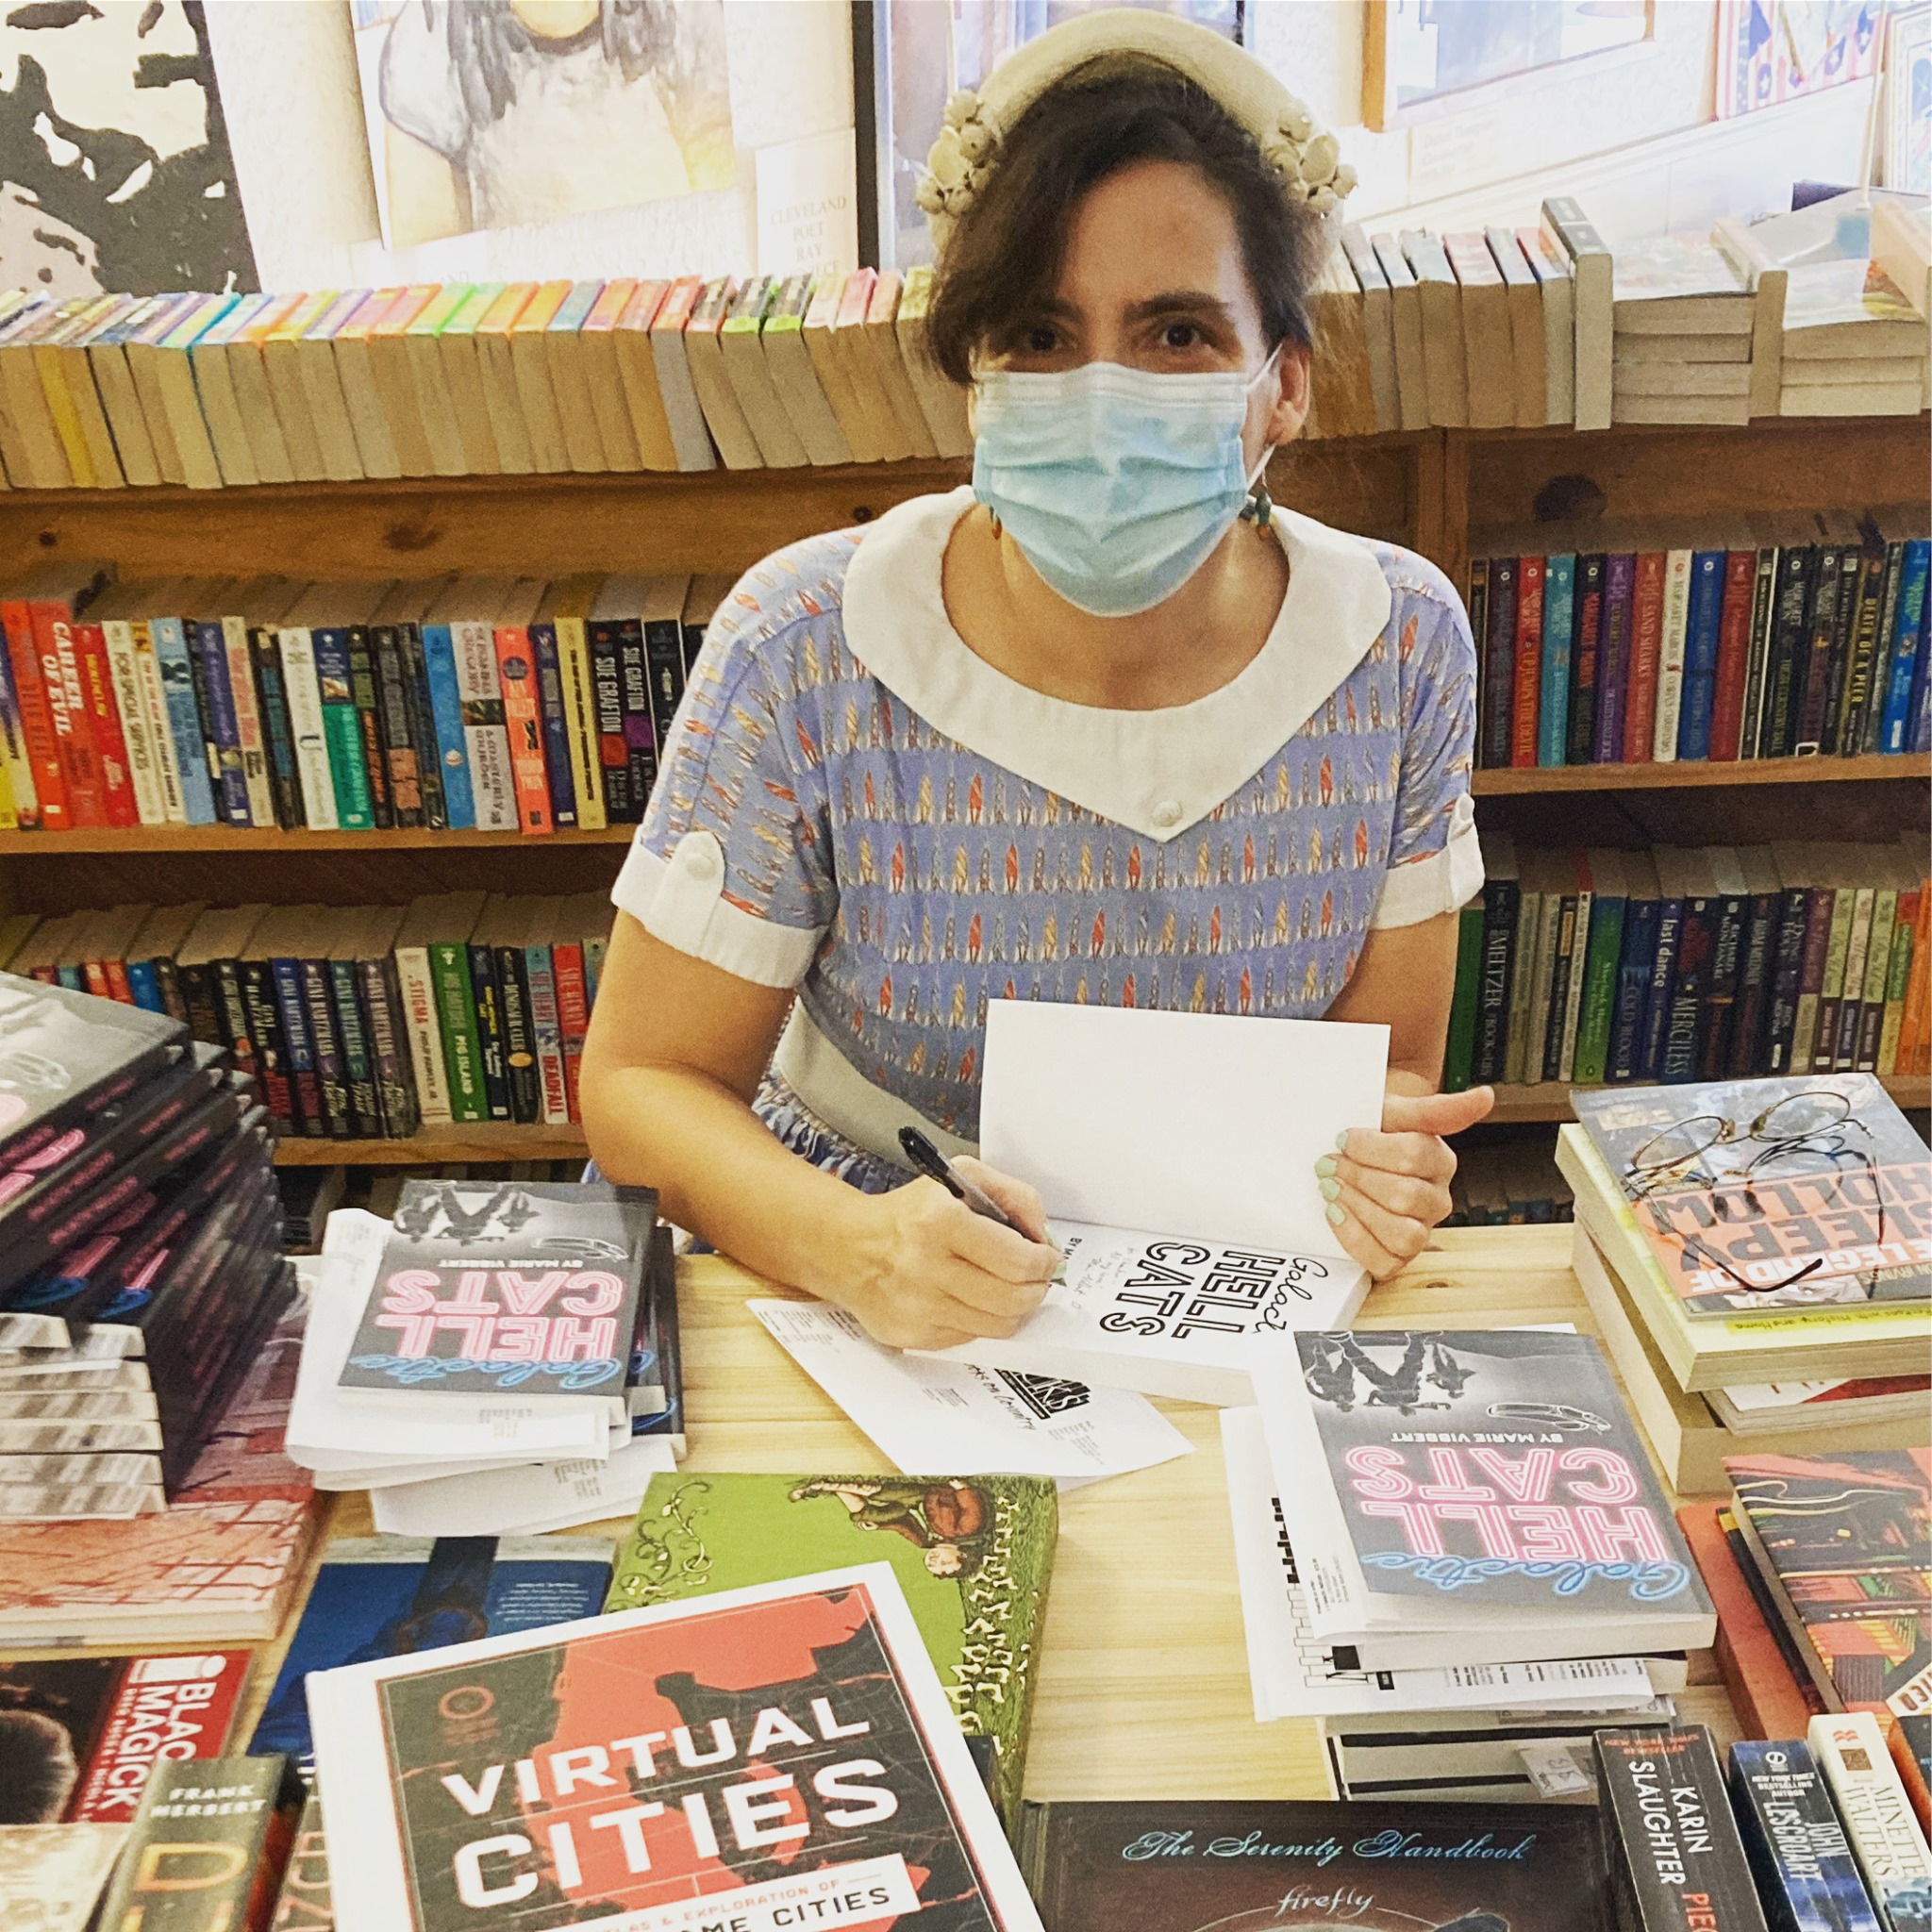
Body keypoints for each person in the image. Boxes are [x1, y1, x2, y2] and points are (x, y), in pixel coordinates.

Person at [581, 10, 1493, 1352]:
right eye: (1040, 335)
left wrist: (1386, 1170)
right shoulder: (806, 646)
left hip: (1230, 1293)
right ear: (975, 371)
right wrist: (847, 1245)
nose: (1105, 395)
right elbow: (642, 1082)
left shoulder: (1399, 645)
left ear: (1283, 383)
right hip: (861, 1290)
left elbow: (1381, 1083)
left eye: (1179, 334)